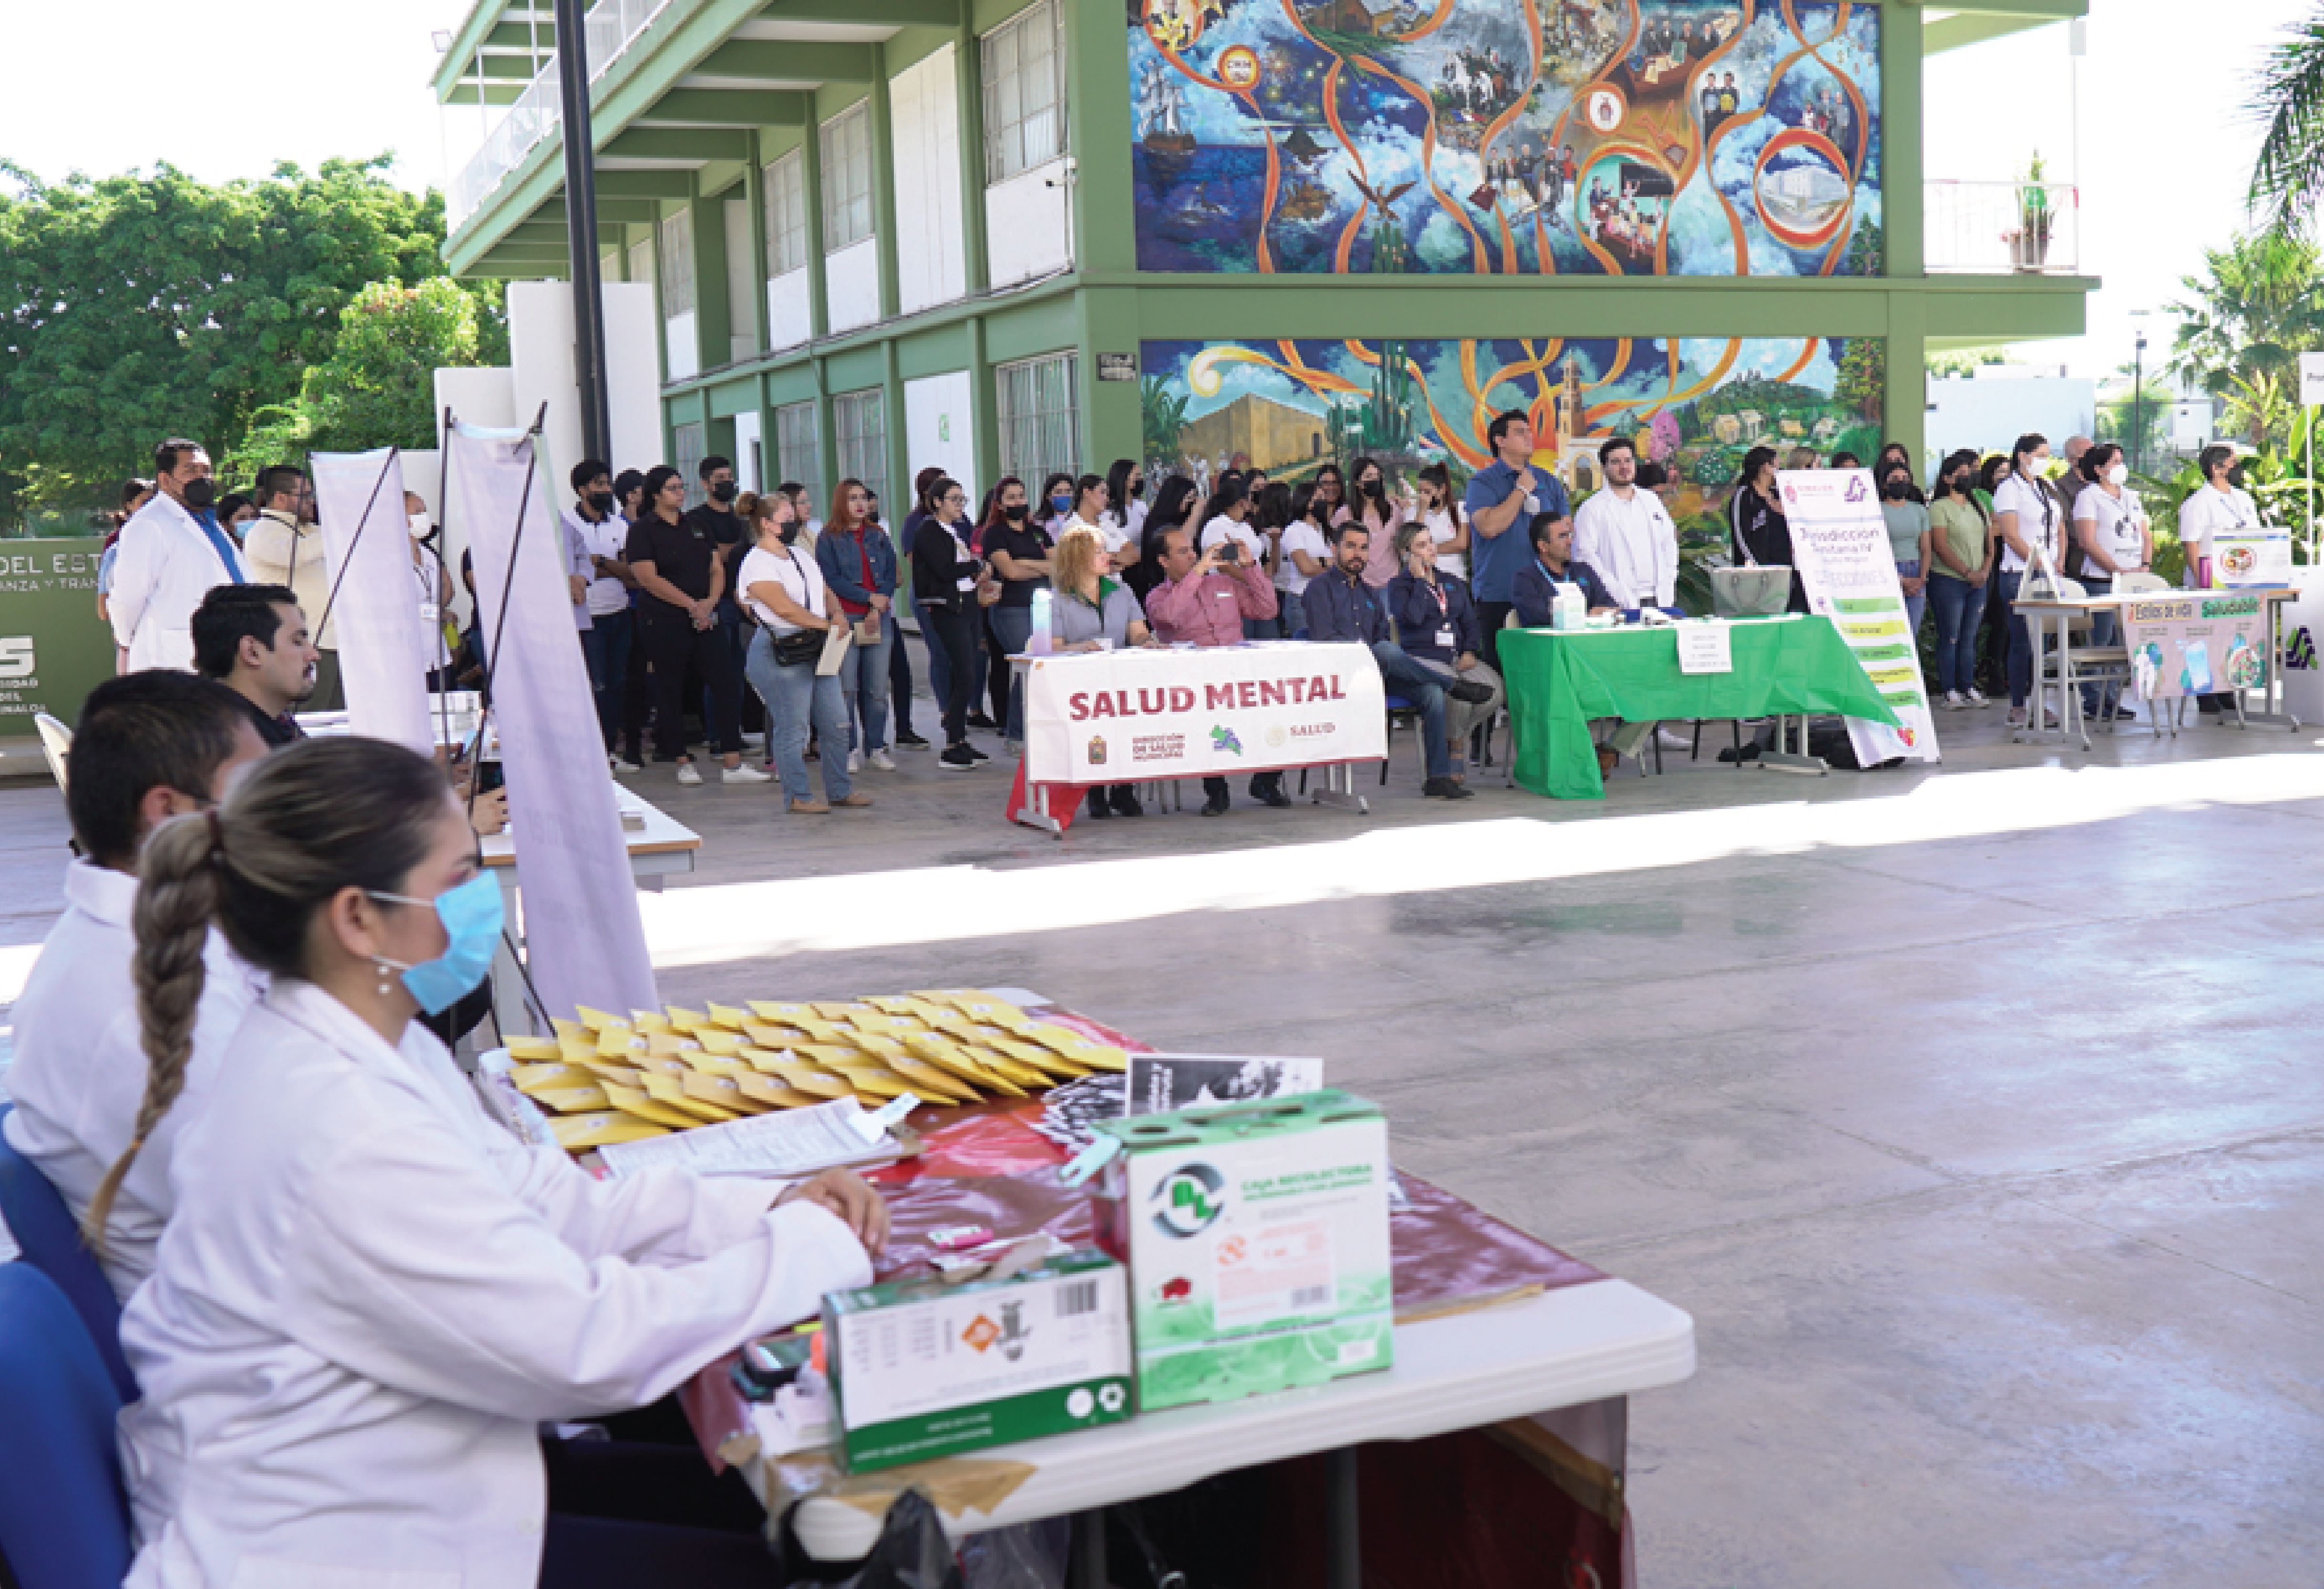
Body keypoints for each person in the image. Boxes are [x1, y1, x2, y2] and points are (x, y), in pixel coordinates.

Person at [100, 735, 886, 1589]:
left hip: (415, 1486)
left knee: (790, 1507)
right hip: (345, 1548)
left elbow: (551, 1202)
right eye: (462, 876)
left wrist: (764, 1208)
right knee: (804, 1539)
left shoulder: (376, 1046)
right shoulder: (339, 1125)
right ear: (358, 916)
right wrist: (813, 1252)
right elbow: (582, 1345)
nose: (485, 899)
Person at [4, 673, 267, 1304]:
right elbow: (288, 1212)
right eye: (259, 791)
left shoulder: (168, 934)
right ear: (169, 809)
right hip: (244, 1339)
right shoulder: (138, 1008)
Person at [1302, 521, 1481, 800]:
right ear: (1334, 549)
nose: (1357, 554)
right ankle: (1451, 684)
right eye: (1350, 547)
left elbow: (1383, 635)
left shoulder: (1370, 594)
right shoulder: (1319, 588)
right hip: (1338, 677)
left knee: (1431, 693)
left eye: (1363, 548)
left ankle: (1438, 778)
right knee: (1384, 650)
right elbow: (1325, 640)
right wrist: (1367, 653)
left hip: (1376, 676)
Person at [624, 465, 765, 786]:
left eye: (681, 486)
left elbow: (716, 567)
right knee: (671, 688)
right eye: (673, 488)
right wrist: (690, 605)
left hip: (705, 615)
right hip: (664, 618)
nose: (680, 492)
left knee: (727, 682)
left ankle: (732, 760)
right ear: (656, 493)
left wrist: (709, 603)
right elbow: (648, 577)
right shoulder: (644, 530)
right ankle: (682, 760)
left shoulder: (697, 525)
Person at [740, 492, 872, 812]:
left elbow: (824, 589)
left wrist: (837, 614)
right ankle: (798, 794)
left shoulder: (800, 555)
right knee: (793, 726)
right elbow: (784, 608)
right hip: (781, 649)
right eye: (787, 519)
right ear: (766, 524)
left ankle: (839, 789)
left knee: (837, 722)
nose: (794, 524)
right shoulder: (756, 563)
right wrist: (824, 625)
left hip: (815, 646)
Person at [1143, 525, 1283, 814]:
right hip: (1194, 684)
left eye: (1192, 549)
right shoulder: (1157, 596)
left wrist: (1250, 566)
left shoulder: (1223, 584)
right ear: (1163, 561)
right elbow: (1169, 618)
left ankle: (1266, 782)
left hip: (1240, 675)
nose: (1194, 555)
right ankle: (1217, 793)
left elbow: (1268, 609)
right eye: (1183, 552)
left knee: (1280, 705)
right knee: (1208, 718)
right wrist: (1197, 573)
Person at [111, 437, 247, 673]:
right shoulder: (148, 523)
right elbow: (127, 600)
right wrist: (126, 642)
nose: (201, 477)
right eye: (190, 470)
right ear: (165, 478)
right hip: (174, 656)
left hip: (225, 649)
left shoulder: (211, 522)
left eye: (206, 470)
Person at [1047, 525, 1155, 820]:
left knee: (1127, 730)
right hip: (1079, 683)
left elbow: (1138, 633)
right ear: (1077, 556)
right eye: (1098, 551)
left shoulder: (1121, 590)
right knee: (1093, 736)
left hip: (1120, 678)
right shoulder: (1057, 598)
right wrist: (1080, 648)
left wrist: (1148, 644)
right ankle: (1095, 791)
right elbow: (1052, 646)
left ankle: (1124, 790)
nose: (1107, 556)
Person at [1386, 522, 1505, 784]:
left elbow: (1469, 622)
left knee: (1494, 691)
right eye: (1422, 545)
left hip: (1457, 657)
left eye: (1431, 542)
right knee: (1458, 692)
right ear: (1406, 553)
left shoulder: (1452, 582)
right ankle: (1455, 746)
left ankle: (1457, 734)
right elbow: (1413, 618)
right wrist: (1418, 581)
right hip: (1424, 658)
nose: (1431, 549)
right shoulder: (1399, 586)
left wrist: (1470, 651)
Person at [1463, 409, 1571, 666]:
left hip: (1546, 593)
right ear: (1500, 441)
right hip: (1499, 593)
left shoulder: (1549, 482)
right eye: (1520, 432)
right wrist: (1521, 490)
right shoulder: (1483, 483)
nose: (1528, 437)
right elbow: (1488, 527)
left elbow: (1566, 530)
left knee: (1546, 666)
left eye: (1529, 432)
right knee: (1502, 671)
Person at [813, 479, 901, 772]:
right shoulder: (828, 538)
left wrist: (880, 603)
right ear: (840, 502)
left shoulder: (878, 535)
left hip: (878, 617)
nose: (860, 504)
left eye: (863, 498)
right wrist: (869, 599)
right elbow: (832, 580)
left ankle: (875, 746)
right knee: (846, 687)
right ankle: (848, 748)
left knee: (876, 687)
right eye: (852, 498)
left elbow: (890, 574)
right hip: (844, 618)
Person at [239, 464, 342, 711]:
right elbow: (299, 553)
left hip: (336, 644)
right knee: (308, 722)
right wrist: (342, 526)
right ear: (281, 498)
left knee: (339, 725)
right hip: (302, 645)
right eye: (305, 495)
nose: (312, 501)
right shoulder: (262, 533)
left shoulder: (315, 531)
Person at [908, 476, 992, 771]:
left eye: (962, 499)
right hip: (948, 607)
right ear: (937, 502)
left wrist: (976, 573)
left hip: (967, 603)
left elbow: (962, 570)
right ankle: (951, 740)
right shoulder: (929, 530)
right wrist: (976, 566)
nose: (960, 505)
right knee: (965, 670)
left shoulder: (955, 530)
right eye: (954, 499)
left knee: (969, 670)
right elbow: (944, 570)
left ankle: (960, 739)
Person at [2069, 442, 2150, 722]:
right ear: (2099, 469)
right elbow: (2087, 541)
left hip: (2133, 581)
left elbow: (2146, 534)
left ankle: (2113, 698)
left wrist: (2145, 566)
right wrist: (2116, 570)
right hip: (2102, 580)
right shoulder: (2089, 497)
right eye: (2114, 462)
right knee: (2100, 641)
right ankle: (2093, 701)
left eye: (2121, 460)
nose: (2120, 466)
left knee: (2122, 642)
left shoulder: (2131, 496)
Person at [563, 459, 636, 757]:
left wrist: (600, 563)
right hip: (586, 617)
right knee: (596, 685)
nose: (606, 490)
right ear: (582, 490)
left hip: (619, 612)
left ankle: (610, 747)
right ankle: (594, 749)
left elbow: (633, 571)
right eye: (599, 485)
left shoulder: (620, 526)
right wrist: (610, 567)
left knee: (619, 684)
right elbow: (568, 567)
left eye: (607, 484)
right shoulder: (567, 524)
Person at [1991, 432, 2062, 728]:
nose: (2044, 461)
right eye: (2039, 455)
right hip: (2020, 573)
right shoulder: (2010, 489)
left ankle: (2039, 702)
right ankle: (2018, 705)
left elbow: (2057, 528)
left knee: (2042, 643)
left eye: (2047, 455)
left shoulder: (2044, 488)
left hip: (2047, 573)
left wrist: (2054, 564)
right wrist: (2038, 564)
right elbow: (2010, 534)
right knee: (2022, 641)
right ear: (2022, 455)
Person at [191, 584, 318, 748]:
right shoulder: (235, 749)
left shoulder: (273, 728)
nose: (314, 655)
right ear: (252, 652)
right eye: (297, 642)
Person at [979, 476, 1053, 753]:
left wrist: (1025, 563)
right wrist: (1040, 566)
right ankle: (1017, 734)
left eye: (1021, 496)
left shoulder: (1036, 532)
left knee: (1042, 666)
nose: (1018, 502)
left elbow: (1057, 564)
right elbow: (1008, 572)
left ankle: (1036, 729)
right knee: (1028, 665)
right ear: (999, 503)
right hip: (1011, 609)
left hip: (1042, 607)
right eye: (1011, 497)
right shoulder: (995, 534)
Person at [1574, 436, 1679, 612]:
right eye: (1616, 462)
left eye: (1628, 461)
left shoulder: (1651, 500)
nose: (1624, 467)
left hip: (1661, 599)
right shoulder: (1591, 509)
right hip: (1616, 603)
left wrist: (1670, 578)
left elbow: (1669, 543)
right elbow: (1586, 558)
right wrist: (1614, 592)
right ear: (1604, 468)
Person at [1925, 449, 1994, 710]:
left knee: (1969, 637)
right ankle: (1950, 690)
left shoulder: (1977, 504)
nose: (1968, 478)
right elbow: (1940, 546)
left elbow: (1990, 544)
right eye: (1961, 474)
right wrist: (1967, 572)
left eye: (1970, 473)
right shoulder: (1940, 507)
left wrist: (1984, 571)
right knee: (1950, 636)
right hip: (1949, 579)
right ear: (1947, 479)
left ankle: (1968, 686)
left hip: (1978, 581)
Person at [1726, 445, 1808, 612]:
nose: (1780, 470)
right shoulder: (1744, 496)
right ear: (1766, 467)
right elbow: (1740, 535)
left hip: (1785, 569)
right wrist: (1757, 566)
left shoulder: (1779, 495)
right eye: (1777, 465)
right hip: (1758, 572)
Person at [1512, 510, 1618, 626]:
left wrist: (1604, 612)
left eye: (1569, 535)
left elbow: (1611, 606)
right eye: (1562, 536)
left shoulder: (1584, 571)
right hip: (1549, 643)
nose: (1570, 542)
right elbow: (1538, 616)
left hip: (1587, 642)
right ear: (1543, 546)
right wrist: (1587, 615)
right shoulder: (1526, 579)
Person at [2178, 442, 2259, 594]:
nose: (2238, 468)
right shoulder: (2197, 503)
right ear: (2216, 469)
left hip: (2245, 582)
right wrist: (2205, 586)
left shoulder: (2245, 498)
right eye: (2234, 463)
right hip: (2211, 587)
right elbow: (2191, 546)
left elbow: (2257, 536)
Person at [1879, 461, 1933, 645]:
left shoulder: (1919, 510)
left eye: (1905, 479)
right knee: (1888, 635)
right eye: (1895, 479)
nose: (1900, 482)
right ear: (1885, 484)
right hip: (1888, 572)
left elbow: (1926, 549)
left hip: (1917, 573)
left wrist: (1922, 579)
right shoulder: (1877, 510)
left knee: (1911, 637)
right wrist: (1899, 579)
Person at [1275, 486, 1332, 638]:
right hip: (1302, 600)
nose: (1324, 501)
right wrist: (1329, 563)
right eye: (1319, 497)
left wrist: (1319, 563)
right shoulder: (1294, 530)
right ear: (1307, 503)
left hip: (1324, 600)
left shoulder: (1323, 530)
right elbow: (1305, 567)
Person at [1342, 456, 1404, 589]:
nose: (1375, 480)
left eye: (1377, 476)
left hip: (1390, 583)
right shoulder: (1345, 513)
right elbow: (1336, 549)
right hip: (1357, 585)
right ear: (1357, 483)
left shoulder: (1393, 509)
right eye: (1369, 476)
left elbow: (1403, 540)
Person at [1416, 462, 1470, 583]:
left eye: (1427, 492)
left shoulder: (1460, 508)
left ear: (1442, 490)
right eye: (1420, 491)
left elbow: (1461, 543)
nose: (1423, 496)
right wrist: (1421, 511)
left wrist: (1427, 550)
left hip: (1454, 578)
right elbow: (1414, 542)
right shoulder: (1414, 512)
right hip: (1424, 579)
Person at [1099, 459, 1147, 573]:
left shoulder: (1141, 506)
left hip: (1143, 567)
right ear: (1124, 480)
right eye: (1137, 475)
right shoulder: (1108, 513)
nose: (1141, 479)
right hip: (1121, 569)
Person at [1038, 472, 1077, 538]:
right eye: (1058, 492)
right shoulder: (1039, 523)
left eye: (1068, 491)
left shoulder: (1081, 519)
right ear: (1048, 496)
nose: (1064, 495)